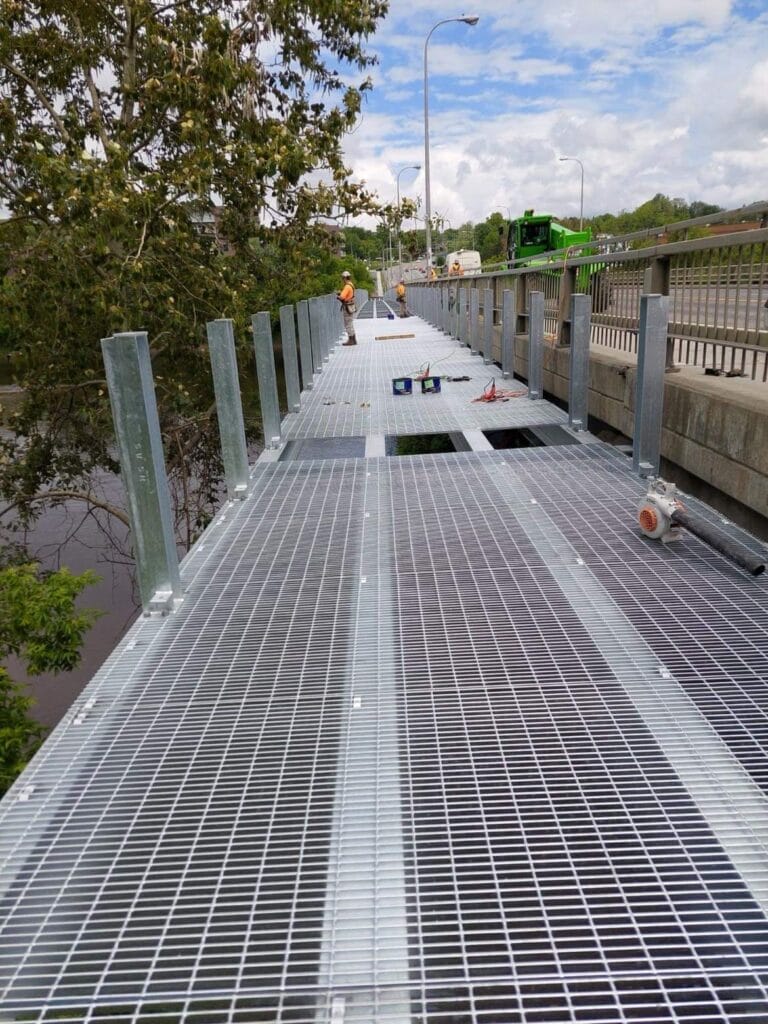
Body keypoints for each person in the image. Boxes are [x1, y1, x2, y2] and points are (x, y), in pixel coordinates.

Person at [338, 270, 357, 345]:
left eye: (343, 278)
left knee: (347, 323)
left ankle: (351, 340)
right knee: (350, 322)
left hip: (347, 306)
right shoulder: (351, 285)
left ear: (345, 278)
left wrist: (339, 296)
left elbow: (342, 297)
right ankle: (353, 339)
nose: (342, 280)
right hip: (351, 305)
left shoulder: (347, 286)